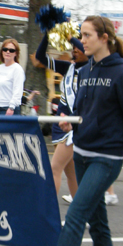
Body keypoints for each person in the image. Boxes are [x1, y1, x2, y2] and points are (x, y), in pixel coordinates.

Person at [21, 16, 123, 246]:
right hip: (82, 152)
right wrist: (73, 123)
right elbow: (85, 111)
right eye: (81, 35)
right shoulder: (86, 70)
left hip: (106, 158)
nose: (82, 40)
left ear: (104, 37)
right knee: (98, 223)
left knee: (75, 215)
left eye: (87, 35)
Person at [34, 31, 88, 202]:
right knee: (70, 174)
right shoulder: (68, 67)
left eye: (79, 46)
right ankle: (80, 216)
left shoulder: (92, 68)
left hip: (74, 125)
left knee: (54, 168)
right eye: (73, 47)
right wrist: (48, 34)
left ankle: (45, 212)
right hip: (61, 124)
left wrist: (70, 35)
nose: (75, 49)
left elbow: (87, 51)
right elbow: (40, 57)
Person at [0, 38, 24, 115]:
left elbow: (18, 90)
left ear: (16, 53)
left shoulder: (17, 69)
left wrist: (11, 107)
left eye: (11, 50)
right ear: (2, 51)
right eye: (5, 49)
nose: (8, 52)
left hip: (8, 109)